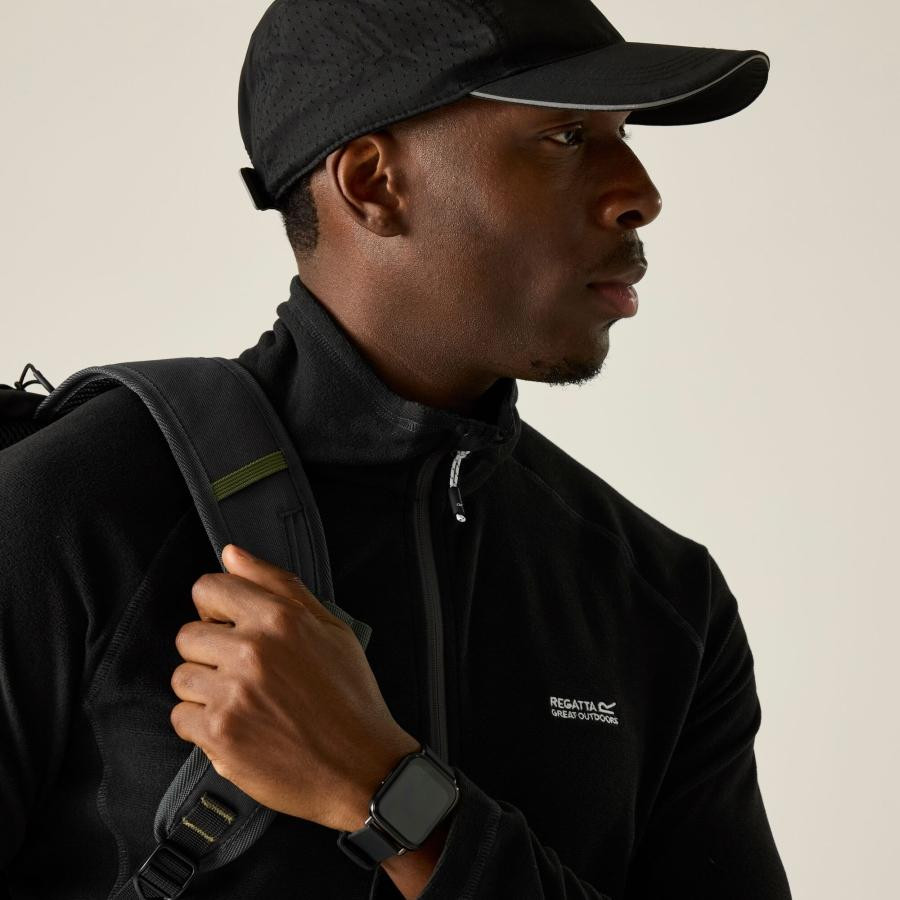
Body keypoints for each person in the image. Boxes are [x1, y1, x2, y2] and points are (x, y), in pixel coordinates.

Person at [0, 1, 792, 898]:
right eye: (568, 137)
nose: (640, 192)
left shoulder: (664, 602)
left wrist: (388, 794)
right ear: (373, 183)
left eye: (623, 135)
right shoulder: (70, 509)